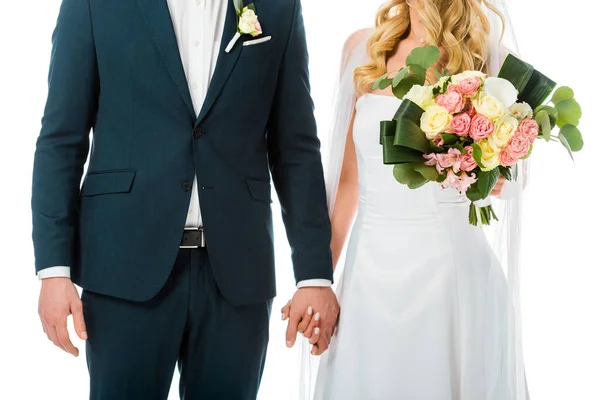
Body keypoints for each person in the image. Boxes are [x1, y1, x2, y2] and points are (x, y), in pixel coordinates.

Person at [31, 0, 339, 398]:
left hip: (237, 276)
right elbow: (61, 139)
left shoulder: (278, 6)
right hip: (124, 269)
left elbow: (296, 148)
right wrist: (54, 271)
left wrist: (314, 275)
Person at [283, 0, 529, 398]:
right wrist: (318, 283)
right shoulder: (362, 50)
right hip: (368, 278)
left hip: (450, 277)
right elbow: (348, 184)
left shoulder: (491, 58)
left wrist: (498, 175)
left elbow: (515, 173)